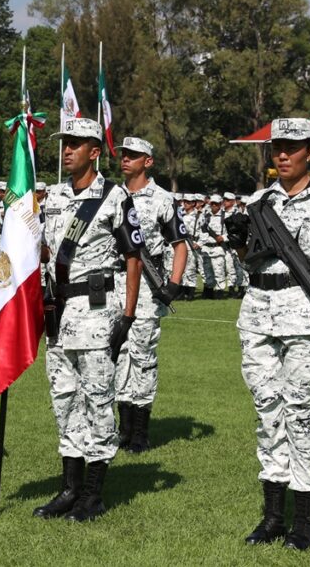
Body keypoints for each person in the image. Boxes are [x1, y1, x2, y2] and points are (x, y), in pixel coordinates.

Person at [238, 118, 310, 550]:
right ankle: (272, 516)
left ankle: (303, 520)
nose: (283, 155)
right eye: (277, 148)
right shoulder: (259, 201)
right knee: (267, 413)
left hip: (306, 317)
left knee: (300, 414)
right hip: (257, 314)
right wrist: (238, 244)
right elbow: (250, 261)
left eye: (292, 147)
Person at [34, 117, 142, 522]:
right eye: (64, 143)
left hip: (97, 311)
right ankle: (70, 488)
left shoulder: (114, 197)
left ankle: (93, 494)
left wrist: (128, 314)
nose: (66, 150)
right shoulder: (53, 196)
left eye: (76, 144)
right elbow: (45, 251)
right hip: (58, 314)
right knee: (64, 400)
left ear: (94, 151)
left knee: (97, 400)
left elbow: (134, 258)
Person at [113, 136, 188, 454]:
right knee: (117, 355)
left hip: (146, 285)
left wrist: (173, 282)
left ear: (148, 161)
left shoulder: (161, 199)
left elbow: (179, 244)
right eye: (123, 155)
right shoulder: (111, 195)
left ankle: (140, 432)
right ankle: (122, 428)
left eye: (133, 155)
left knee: (142, 357)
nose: (125, 159)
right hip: (114, 282)